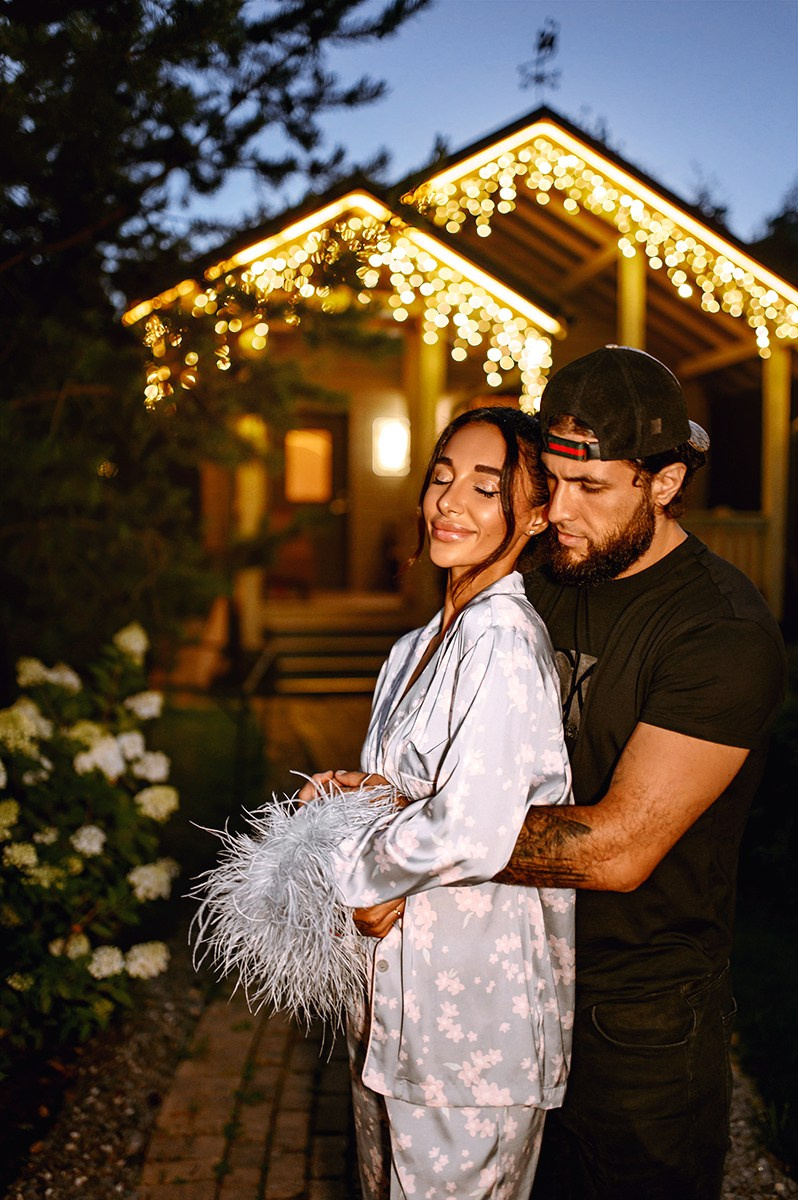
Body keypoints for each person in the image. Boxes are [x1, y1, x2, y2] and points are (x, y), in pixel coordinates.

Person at [348, 346, 787, 1200]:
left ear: (664, 482)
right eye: (550, 482)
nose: (560, 510)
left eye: (591, 487)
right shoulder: (544, 582)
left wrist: (401, 844)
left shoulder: (719, 632)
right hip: (501, 983)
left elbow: (615, 849)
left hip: (636, 1014)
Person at [302, 406, 575, 1200]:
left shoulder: (502, 639)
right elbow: (431, 787)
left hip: (473, 1024)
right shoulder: (419, 644)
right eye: (441, 478)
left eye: (485, 489)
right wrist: (358, 792)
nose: (449, 503)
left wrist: (352, 871)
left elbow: (470, 826)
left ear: (535, 514)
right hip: (393, 1011)